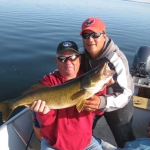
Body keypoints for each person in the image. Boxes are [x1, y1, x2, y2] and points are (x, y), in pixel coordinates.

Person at [31, 41, 116, 150]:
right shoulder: (49, 82)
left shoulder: (90, 82)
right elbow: (47, 121)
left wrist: (99, 97)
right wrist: (43, 112)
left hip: (86, 143)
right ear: (56, 61)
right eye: (62, 58)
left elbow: (98, 111)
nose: (68, 62)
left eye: (73, 57)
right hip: (54, 144)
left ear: (79, 59)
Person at [79, 17, 136, 148]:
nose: (90, 40)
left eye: (95, 35)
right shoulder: (81, 55)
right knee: (81, 131)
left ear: (104, 36)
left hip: (118, 103)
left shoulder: (116, 59)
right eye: (86, 35)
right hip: (92, 98)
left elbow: (126, 93)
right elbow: (65, 71)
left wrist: (102, 102)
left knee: (125, 139)